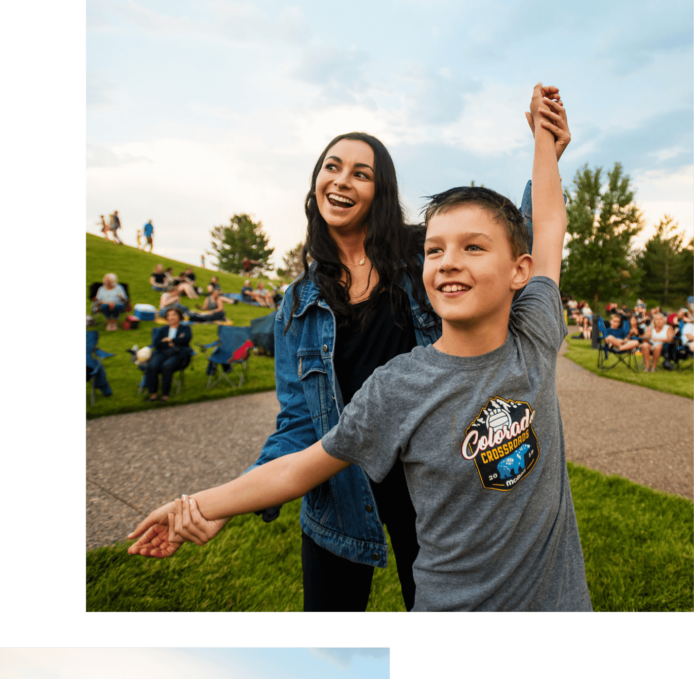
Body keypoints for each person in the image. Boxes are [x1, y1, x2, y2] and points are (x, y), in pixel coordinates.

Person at [126, 86, 583, 613]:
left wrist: (545, 150)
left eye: (360, 172)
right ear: (316, 181)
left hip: (437, 477)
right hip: (342, 486)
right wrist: (222, 502)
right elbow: (298, 431)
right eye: (331, 167)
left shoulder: (422, 257)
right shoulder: (305, 309)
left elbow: (524, 235)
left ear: (380, 190)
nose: (341, 180)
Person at [144, 307, 193, 401]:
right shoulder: (162, 329)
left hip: (177, 353)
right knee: (152, 365)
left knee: (167, 366)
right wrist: (173, 342)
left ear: (179, 316)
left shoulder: (185, 328)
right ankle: (153, 393)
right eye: (169, 315)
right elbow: (156, 343)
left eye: (174, 315)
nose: (171, 317)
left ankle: (165, 394)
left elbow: (186, 339)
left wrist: (171, 340)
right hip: (161, 352)